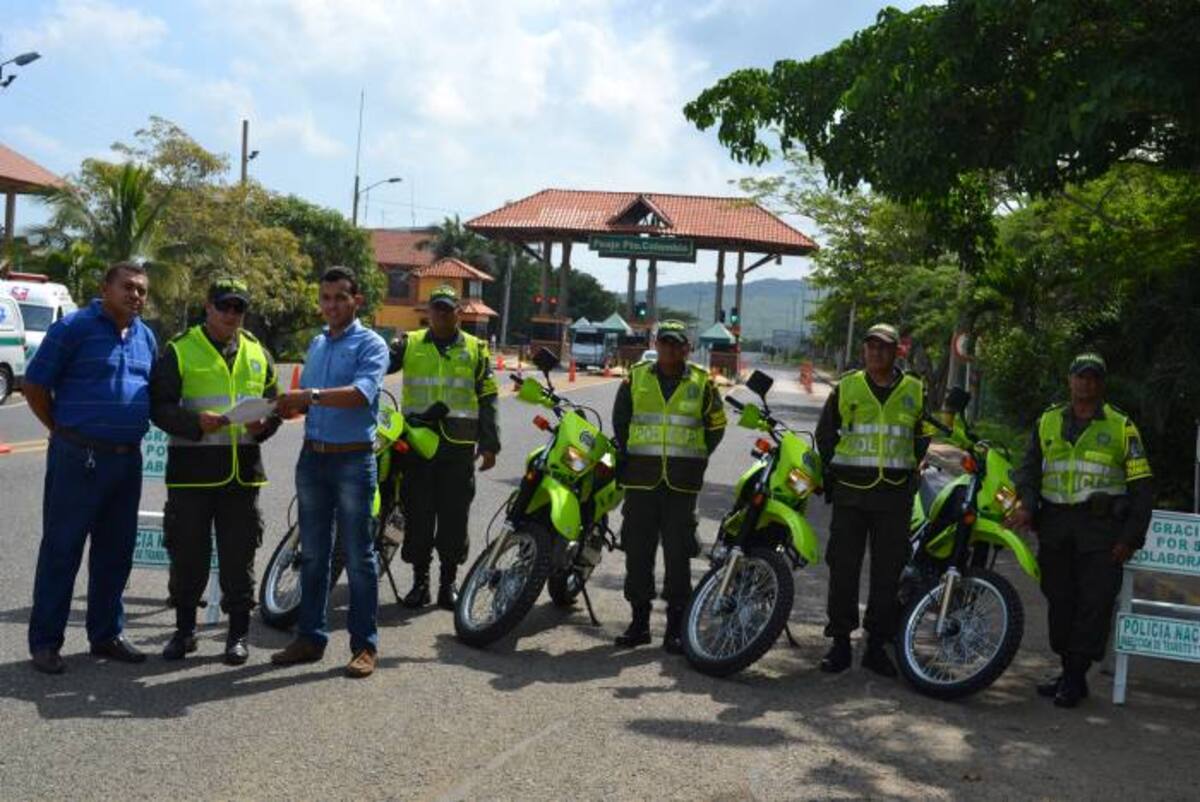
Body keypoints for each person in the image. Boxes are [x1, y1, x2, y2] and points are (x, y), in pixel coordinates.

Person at [23, 262, 157, 674]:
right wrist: (62, 430)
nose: (135, 295)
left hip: (125, 459)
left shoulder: (146, 337)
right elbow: (34, 384)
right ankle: (46, 643)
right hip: (77, 457)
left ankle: (106, 634)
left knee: (115, 553)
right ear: (106, 288)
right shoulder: (74, 328)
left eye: (141, 291)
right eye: (128, 287)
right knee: (62, 550)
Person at [150, 278, 282, 665]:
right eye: (224, 306)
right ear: (207, 307)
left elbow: (273, 407)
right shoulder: (180, 350)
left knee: (239, 558)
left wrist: (265, 426)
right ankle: (184, 632)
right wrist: (194, 422)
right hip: (192, 475)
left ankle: (237, 635)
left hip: (241, 477)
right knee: (188, 555)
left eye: (238, 308)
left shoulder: (259, 353)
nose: (231, 314)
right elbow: (158, 406)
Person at [1010, 352, 1153, 708]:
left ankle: (1074, 678)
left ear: (1101, 384)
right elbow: (1028, 470)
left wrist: (1129, 538)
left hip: (1102, 530)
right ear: (1069, 380)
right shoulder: (1047, 421)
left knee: (1094, 603)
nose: (1085, 383)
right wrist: (1027, 504)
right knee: (1060, 599)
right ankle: (1067, 669)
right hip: (1057, 525)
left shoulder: (1121, 426)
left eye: (1092, 378)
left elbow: (1142, 487)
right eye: (1080, 376)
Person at [270, 266, 389, 678]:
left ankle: (364, 646)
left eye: (340, 297)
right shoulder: (317, 344)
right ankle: (309, 637)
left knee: (359, 557)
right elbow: (310, 404)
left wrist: (307, 395)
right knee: (313, 554)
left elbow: (360, 395)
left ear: (356, 300)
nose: (332, 305)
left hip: (353, 460)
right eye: (325, 298)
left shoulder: (372, 344)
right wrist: (282, 405)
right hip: (313, 458)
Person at [815, 323, 928, 677]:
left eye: (884, 347)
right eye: (871, 346)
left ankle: (876, 645)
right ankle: (840, 643)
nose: (877, 352)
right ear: (864, 350)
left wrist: (911, 467)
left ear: (897, 352)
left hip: (894, 497)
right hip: (851, 494)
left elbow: (921, 435)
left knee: (887, 575)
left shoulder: (915, 389)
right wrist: (835, 472)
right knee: (843, 570)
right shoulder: (847, 386)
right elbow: (825, 434)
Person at [611, 320, 726, 653]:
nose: (671, 349)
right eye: (665, 343)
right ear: (656, 344)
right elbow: (621, 422)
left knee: (678, 554)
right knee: (637, 550)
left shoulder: (703, 383)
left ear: (687, 348)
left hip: (681, 483)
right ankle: (639, 623)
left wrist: (698, 455)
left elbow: (716, 426)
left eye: (678, 344)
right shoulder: (636, 379)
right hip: (641, 480)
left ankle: (675, 626)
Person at [387, 284, 499, 609]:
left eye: (447, 309)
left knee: (453, 518)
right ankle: (420, 582)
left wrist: (490, 444)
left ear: (458, 313)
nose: (440, 314)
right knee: (417, 515)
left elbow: (488, 397)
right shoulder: (409, 343)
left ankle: (447, 583)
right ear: (428, 311)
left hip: (458, 447)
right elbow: (377, 366)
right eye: (436, 308)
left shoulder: (477, 349)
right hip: (418, 445)